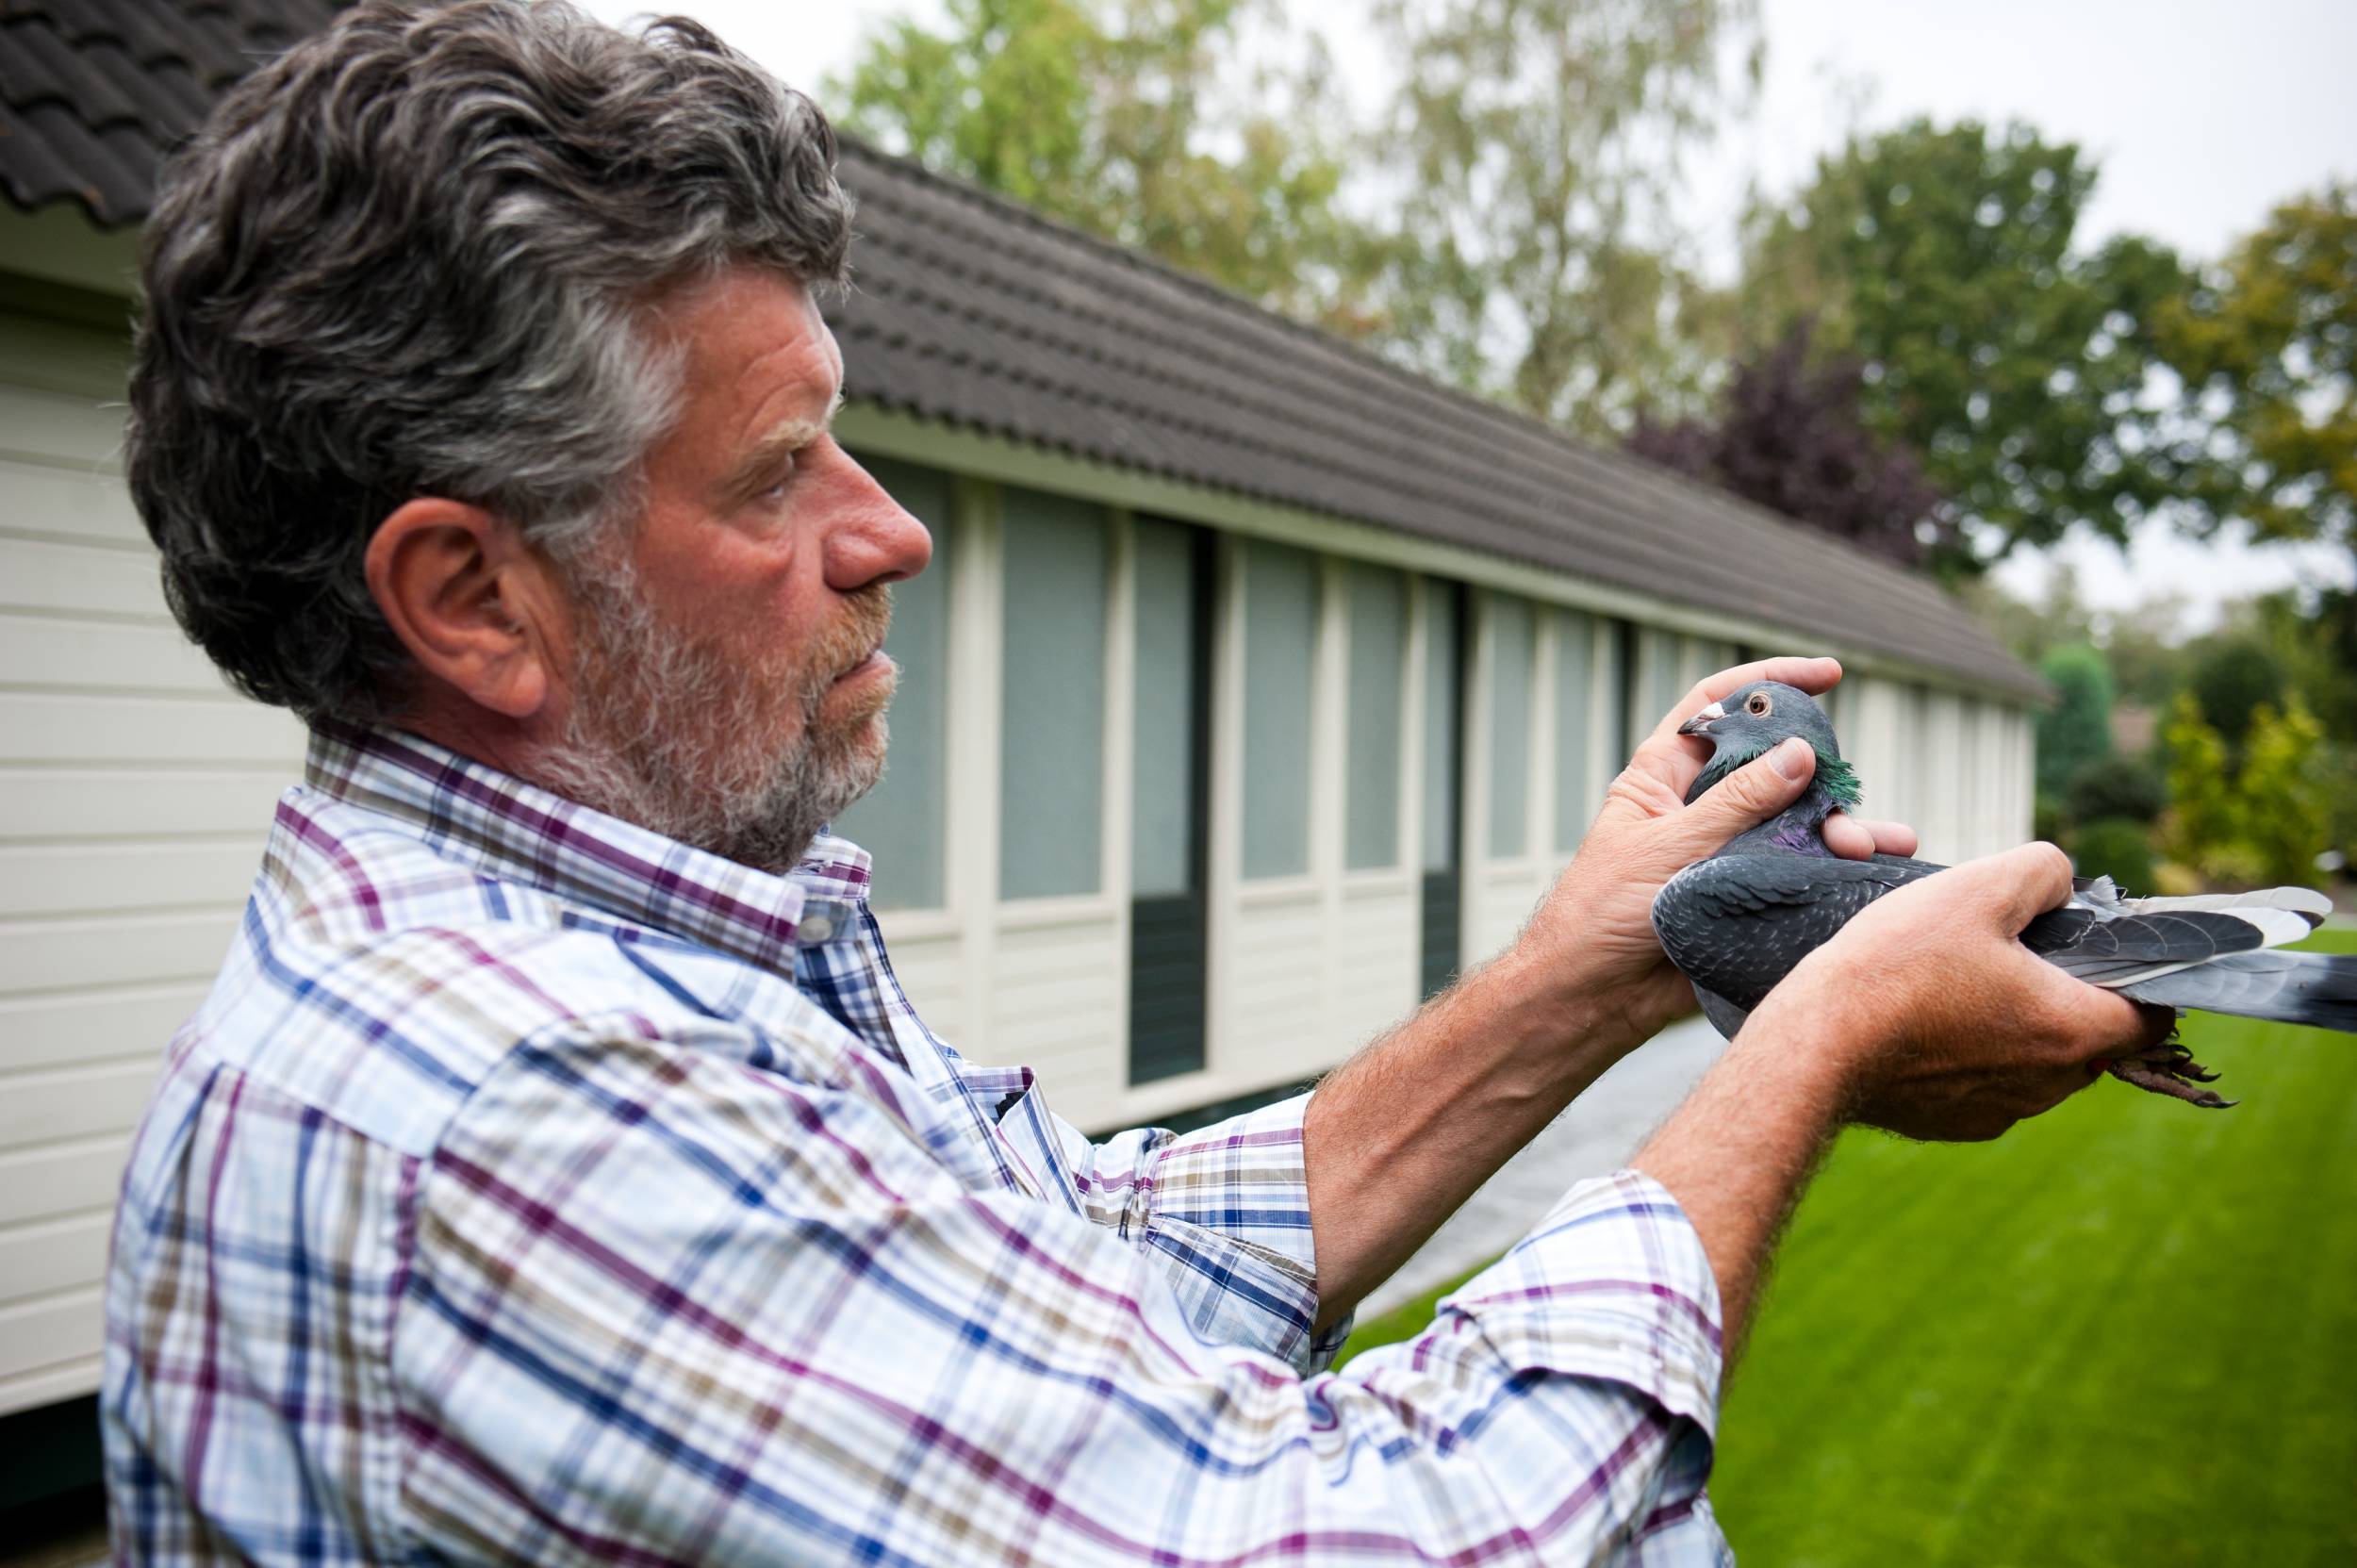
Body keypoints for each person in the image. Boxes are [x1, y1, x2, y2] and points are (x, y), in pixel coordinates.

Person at [102, 3, 2172, 1563]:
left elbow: (1088, 1275)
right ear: (471, 594)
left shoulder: (605, 964)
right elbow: (1376, 1533)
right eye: (771, 472)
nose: (888, 528)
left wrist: (1607, 960)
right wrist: (1812, 1030)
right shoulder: (518, 1108)